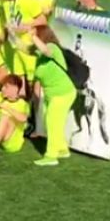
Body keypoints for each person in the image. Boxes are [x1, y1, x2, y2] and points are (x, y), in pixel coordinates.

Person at [29, 26, 78, 167]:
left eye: (36, 34)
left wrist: (33, 36)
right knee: (52, 122)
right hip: (52, 94)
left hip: (63, 93)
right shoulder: (39, 54)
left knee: (52, 122)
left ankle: (51, 156)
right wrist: (12, 33)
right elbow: (23, 48)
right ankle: (62, 149)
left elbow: (46, 50)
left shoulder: (52, 48)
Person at [0, 75, 29, 159]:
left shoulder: (22, 103)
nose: (2, 89)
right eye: (2, 86)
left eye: (6, 87)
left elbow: (23, 118)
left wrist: (6, 108)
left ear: (15, 88)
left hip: (12, 142)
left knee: (6, 117)